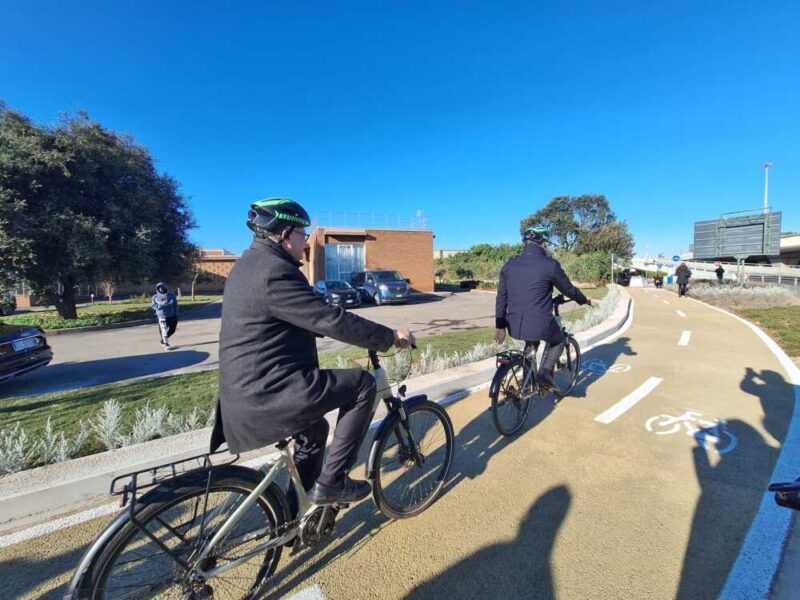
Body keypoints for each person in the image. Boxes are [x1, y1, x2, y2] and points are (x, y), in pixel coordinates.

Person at [210, 197, 415, 509]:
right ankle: (333, 482)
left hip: (248, 387)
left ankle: (293, 514)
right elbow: (328, 318)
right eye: (302, 235)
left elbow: (297, 316)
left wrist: (331, 325)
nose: (305, 244)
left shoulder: (250, 265)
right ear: (284, 233)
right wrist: (388, 337)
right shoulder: (274, 271)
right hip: (267, 391)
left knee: (315, 430)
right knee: (362, 385)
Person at [494, 225, 591, 391]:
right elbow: (568, 289)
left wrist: (500, 326)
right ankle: (545, 374)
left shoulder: (509, 265)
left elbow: (501, 297)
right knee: (558, 340)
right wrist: (584, 300)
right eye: (546, 243)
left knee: (531, 343)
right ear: (543, 244)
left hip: (514, 325)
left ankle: (527, 385)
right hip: (540, 323)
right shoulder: (550, 265)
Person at [151, 282, 178, 350]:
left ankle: (162, 340)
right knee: (163, 330)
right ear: (157, 289)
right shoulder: (155, 297)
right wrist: (161, 305)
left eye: (162, 287)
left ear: (165, 287)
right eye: (159, 288)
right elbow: (153, 306)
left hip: (171, 315)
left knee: (172, 329)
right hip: (161, 316)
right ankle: (166, 344)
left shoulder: (171, 295)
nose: (161, 289)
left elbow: (175, 304)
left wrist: (175, 313)